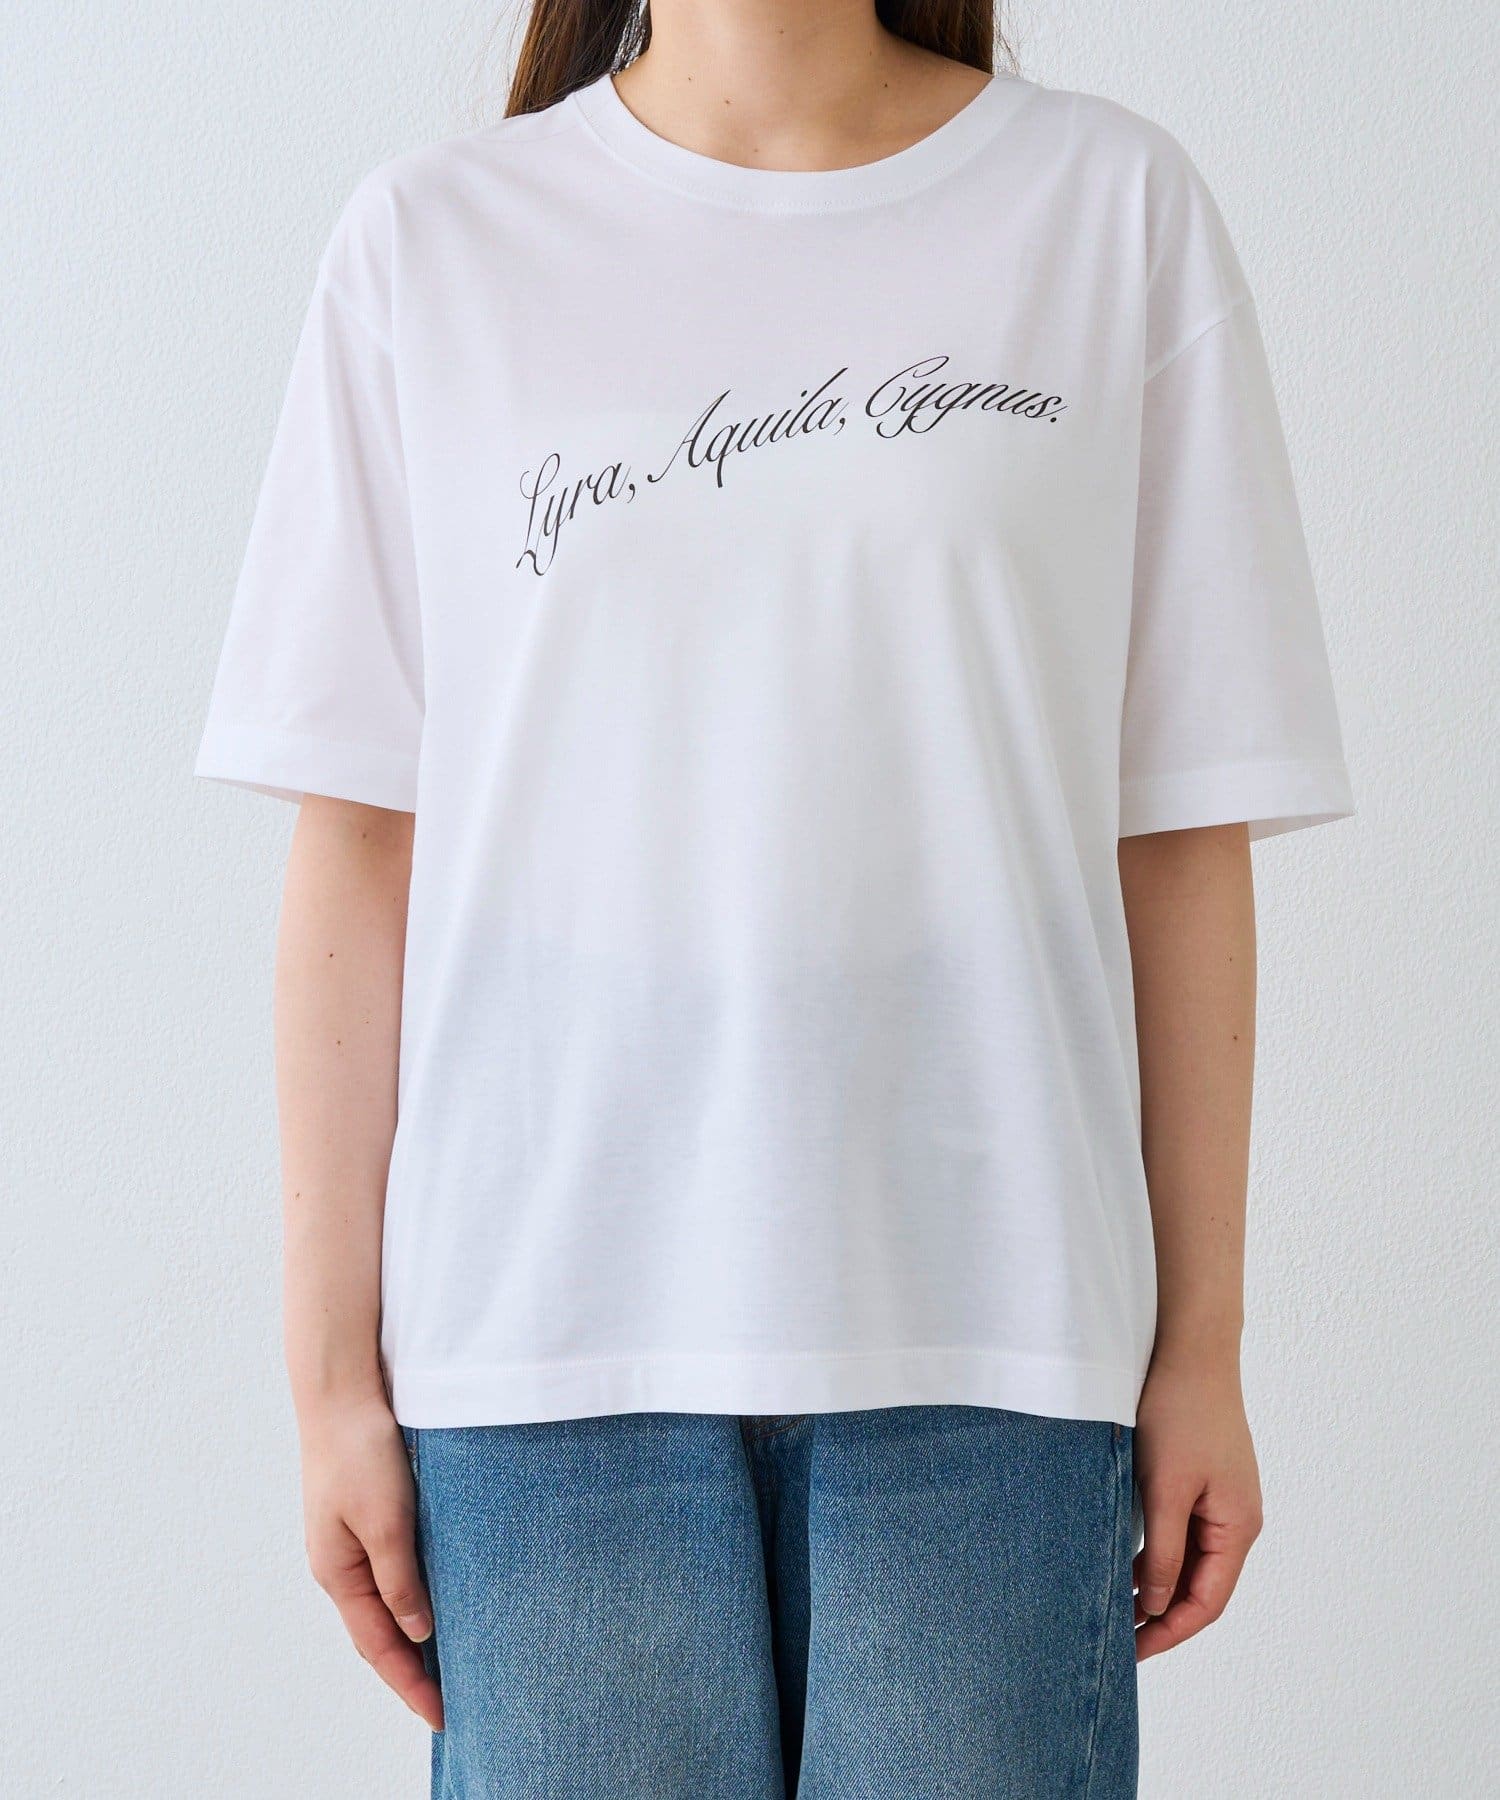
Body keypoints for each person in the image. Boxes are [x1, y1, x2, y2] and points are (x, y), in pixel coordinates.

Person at [197, 1, 1353, 1793]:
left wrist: (1203, 1342)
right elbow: (360, 844)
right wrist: (328, 1382)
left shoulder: (1106, 211)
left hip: (997, 1325)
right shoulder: (433, 243)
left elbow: (1178, 829)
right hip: (540, 1350)